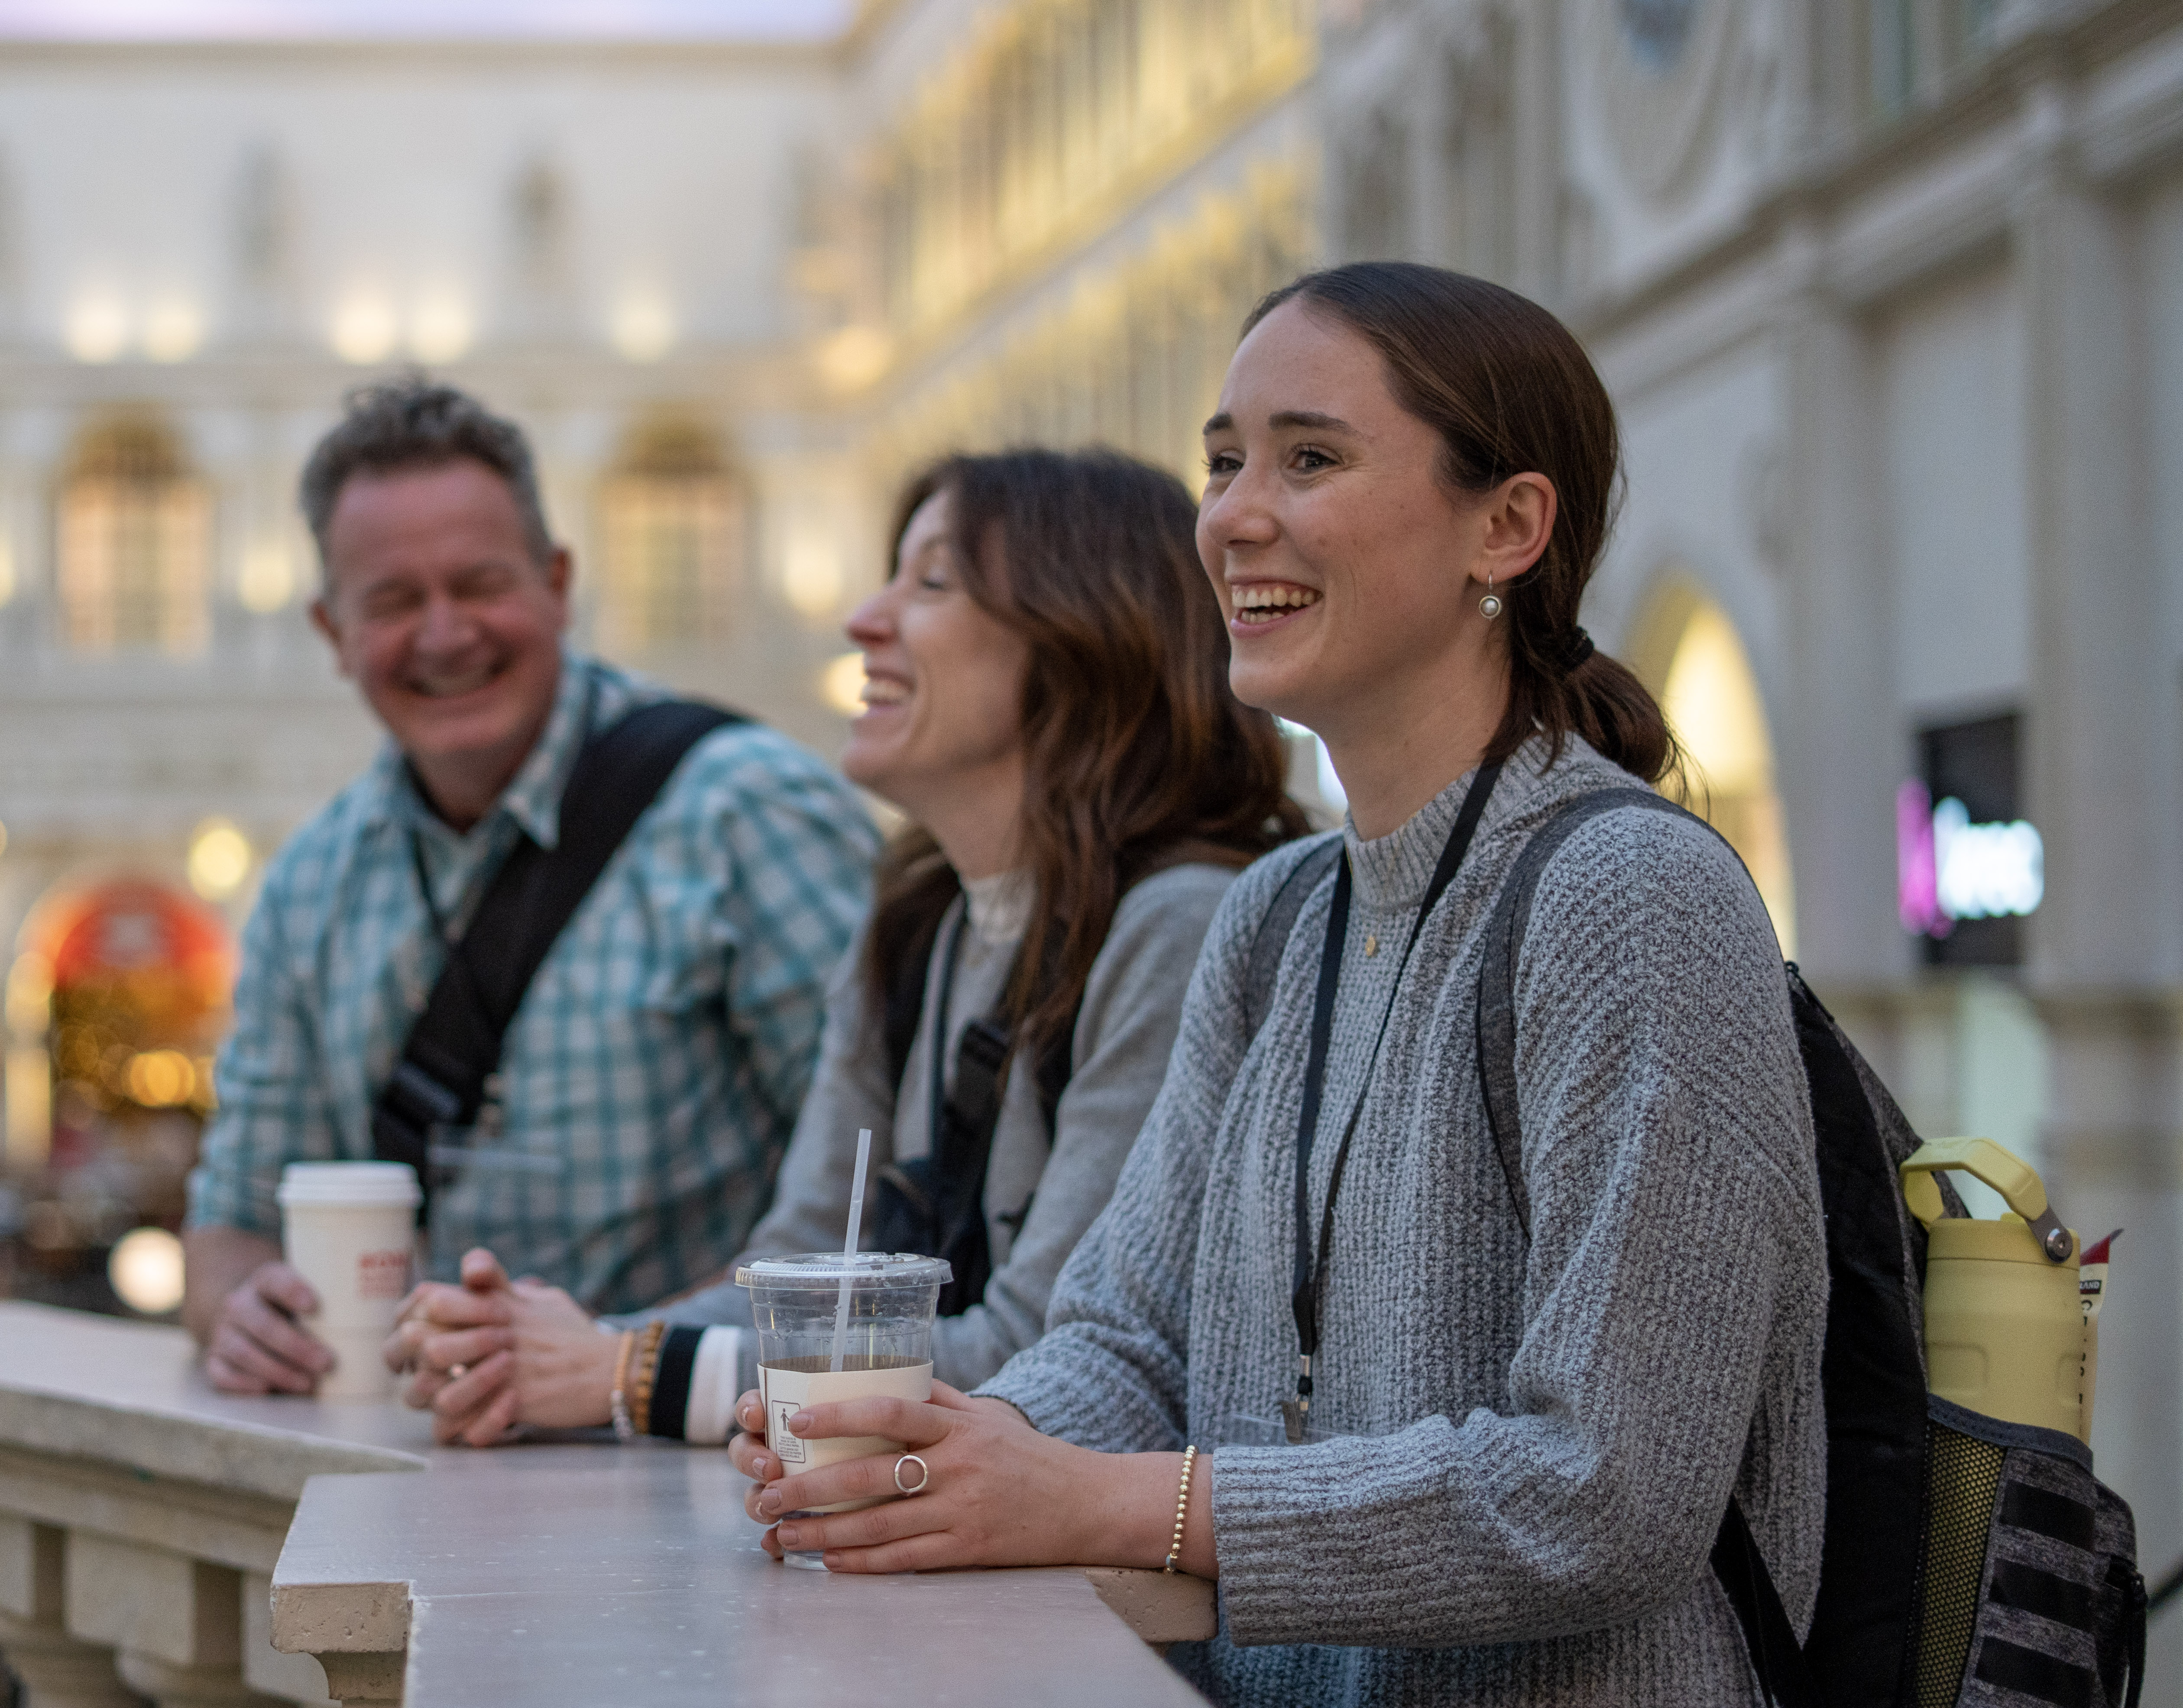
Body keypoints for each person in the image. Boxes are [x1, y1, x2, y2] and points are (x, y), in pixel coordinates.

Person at [732, 262, 1825, 1706]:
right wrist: (925, 1457)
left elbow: (1598, 1491)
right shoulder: (1275, 913)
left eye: (1307, 458)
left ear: (1505, 526)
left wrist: (1118, 1505)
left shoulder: (1628, 895)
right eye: (1221, 460)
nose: (1234, 513)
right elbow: (1127, 1336)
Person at [390, 448, 1302, 1446]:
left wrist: (627, 1369)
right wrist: (532, 1347)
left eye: (933, 583)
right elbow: (801, 1267)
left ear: (1086, 630)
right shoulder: (916, 928)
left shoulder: (1182, 926)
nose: (866, 620)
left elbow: (1053, 1352)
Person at [183, 377, 879, 1394]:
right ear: (332, 631)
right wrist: (239, 1312)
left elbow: (878, 1206)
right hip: (431, 1475)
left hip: (718, 1478)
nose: (444, 632)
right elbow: (231, 1221)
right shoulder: (309, 886)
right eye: (392, 601)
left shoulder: (750, 816)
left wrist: (604, 1370)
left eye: (479, 584)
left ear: (558, 582)